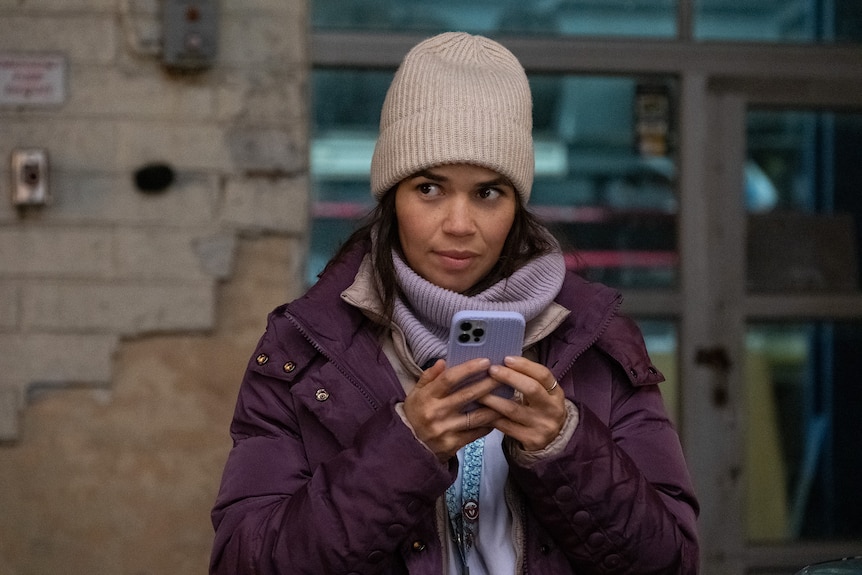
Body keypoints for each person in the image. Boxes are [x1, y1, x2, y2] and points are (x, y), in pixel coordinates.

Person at [210, 32, 699, 574]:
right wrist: (405, 446)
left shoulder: (596, 341)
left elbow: (671, 562)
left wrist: (565, 445)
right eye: (430, 188)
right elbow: (243, 563)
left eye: (488, 192)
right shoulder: (303, 349)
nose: (459, 225)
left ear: (516, 204)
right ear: (392, 196)